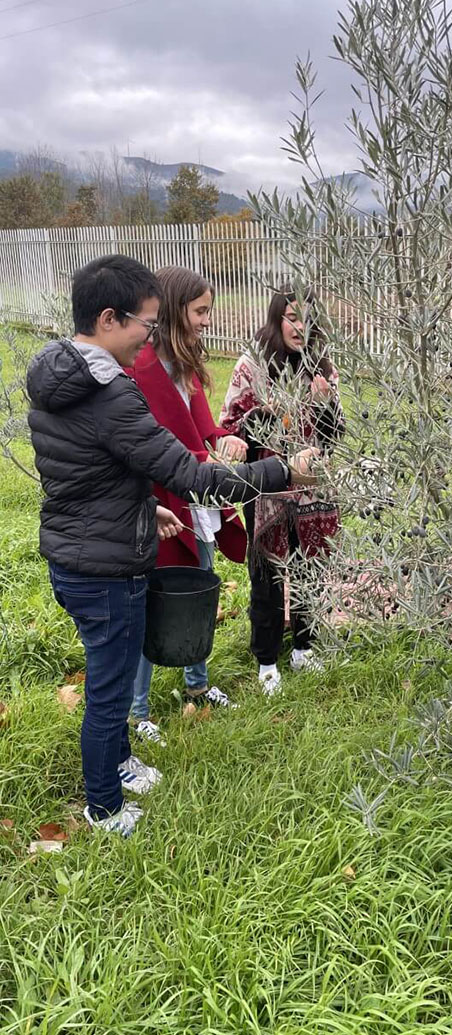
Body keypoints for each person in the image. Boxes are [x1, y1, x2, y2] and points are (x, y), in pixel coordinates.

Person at [27, 255, 318, 836]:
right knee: (108, 691)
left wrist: (141, 505)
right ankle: (104, 805)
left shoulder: (62, 379)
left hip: (81, 550)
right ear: (109, 319)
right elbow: (194, 478)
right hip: (105, 568)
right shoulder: (111, 395)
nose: (150, 336)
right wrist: (284, 471)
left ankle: (118, 761)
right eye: (146, 323)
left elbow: (85, 475)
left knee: (110, 675)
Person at [129, 266, 248, 738]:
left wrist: (228, 441)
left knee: (199, 593)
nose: (205, 321)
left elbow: (204, 431)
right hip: (159, 507)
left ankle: (197, 687)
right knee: (151, 603)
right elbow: (146, 445)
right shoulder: (138, 370)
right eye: (199, 312)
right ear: (175, 310)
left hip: (197, 502)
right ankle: (138, 712)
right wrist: (204, 454)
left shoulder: (188, 367)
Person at [219, 287, 345, 696]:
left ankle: (304, 648)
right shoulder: (252, 366)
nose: (300, 327)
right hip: (268, 489)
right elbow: (230, 427)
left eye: (308, 319)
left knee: (311, 569)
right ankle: (267, 661)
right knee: (268, 575)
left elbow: (335, 434)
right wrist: (266, 412)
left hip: (312, 490)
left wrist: (324, 407)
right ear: (276, 319)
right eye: (292, 317)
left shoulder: (322, 368)